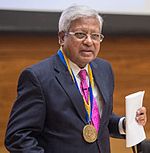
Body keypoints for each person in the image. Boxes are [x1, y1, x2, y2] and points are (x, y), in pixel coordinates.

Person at [5, 5, 147, 153]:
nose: (89, 41)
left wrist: (126, 123)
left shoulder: (104, 69)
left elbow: (99, 119)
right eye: (80, 34)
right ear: (61, 37)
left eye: (95, 35)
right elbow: (18, 137)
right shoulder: (38, 77)